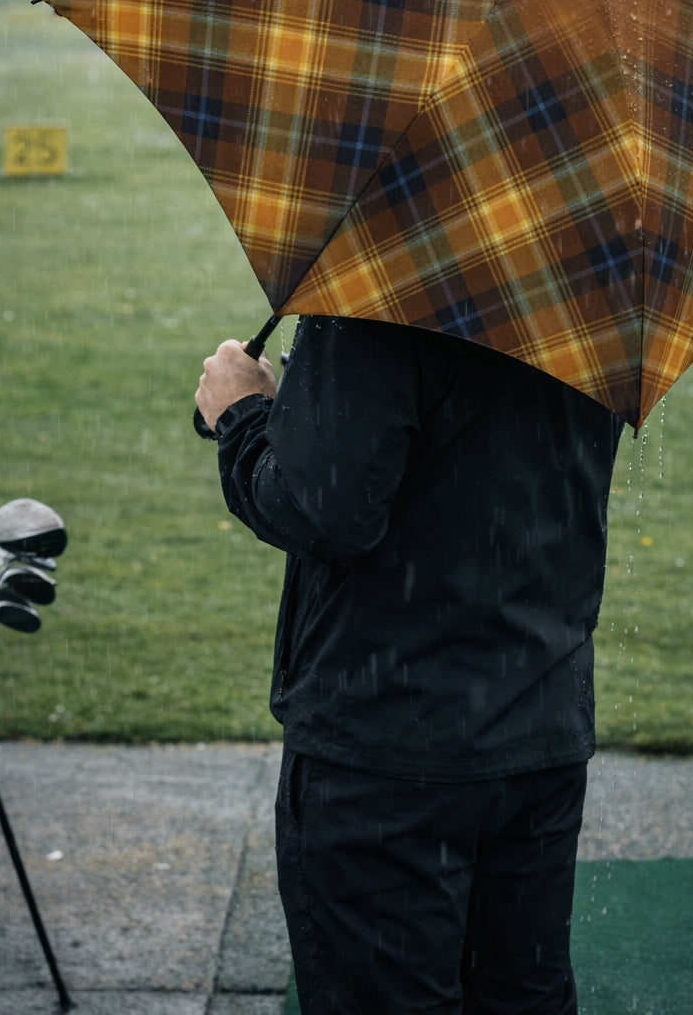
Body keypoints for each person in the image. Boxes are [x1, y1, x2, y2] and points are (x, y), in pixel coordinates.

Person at [196, 314, 625, 1015]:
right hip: (539, 719)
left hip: (387, 749)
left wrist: (242, 415)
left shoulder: (377, 302)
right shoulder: (587, 277)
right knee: (520, 997)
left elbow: (323, 511)